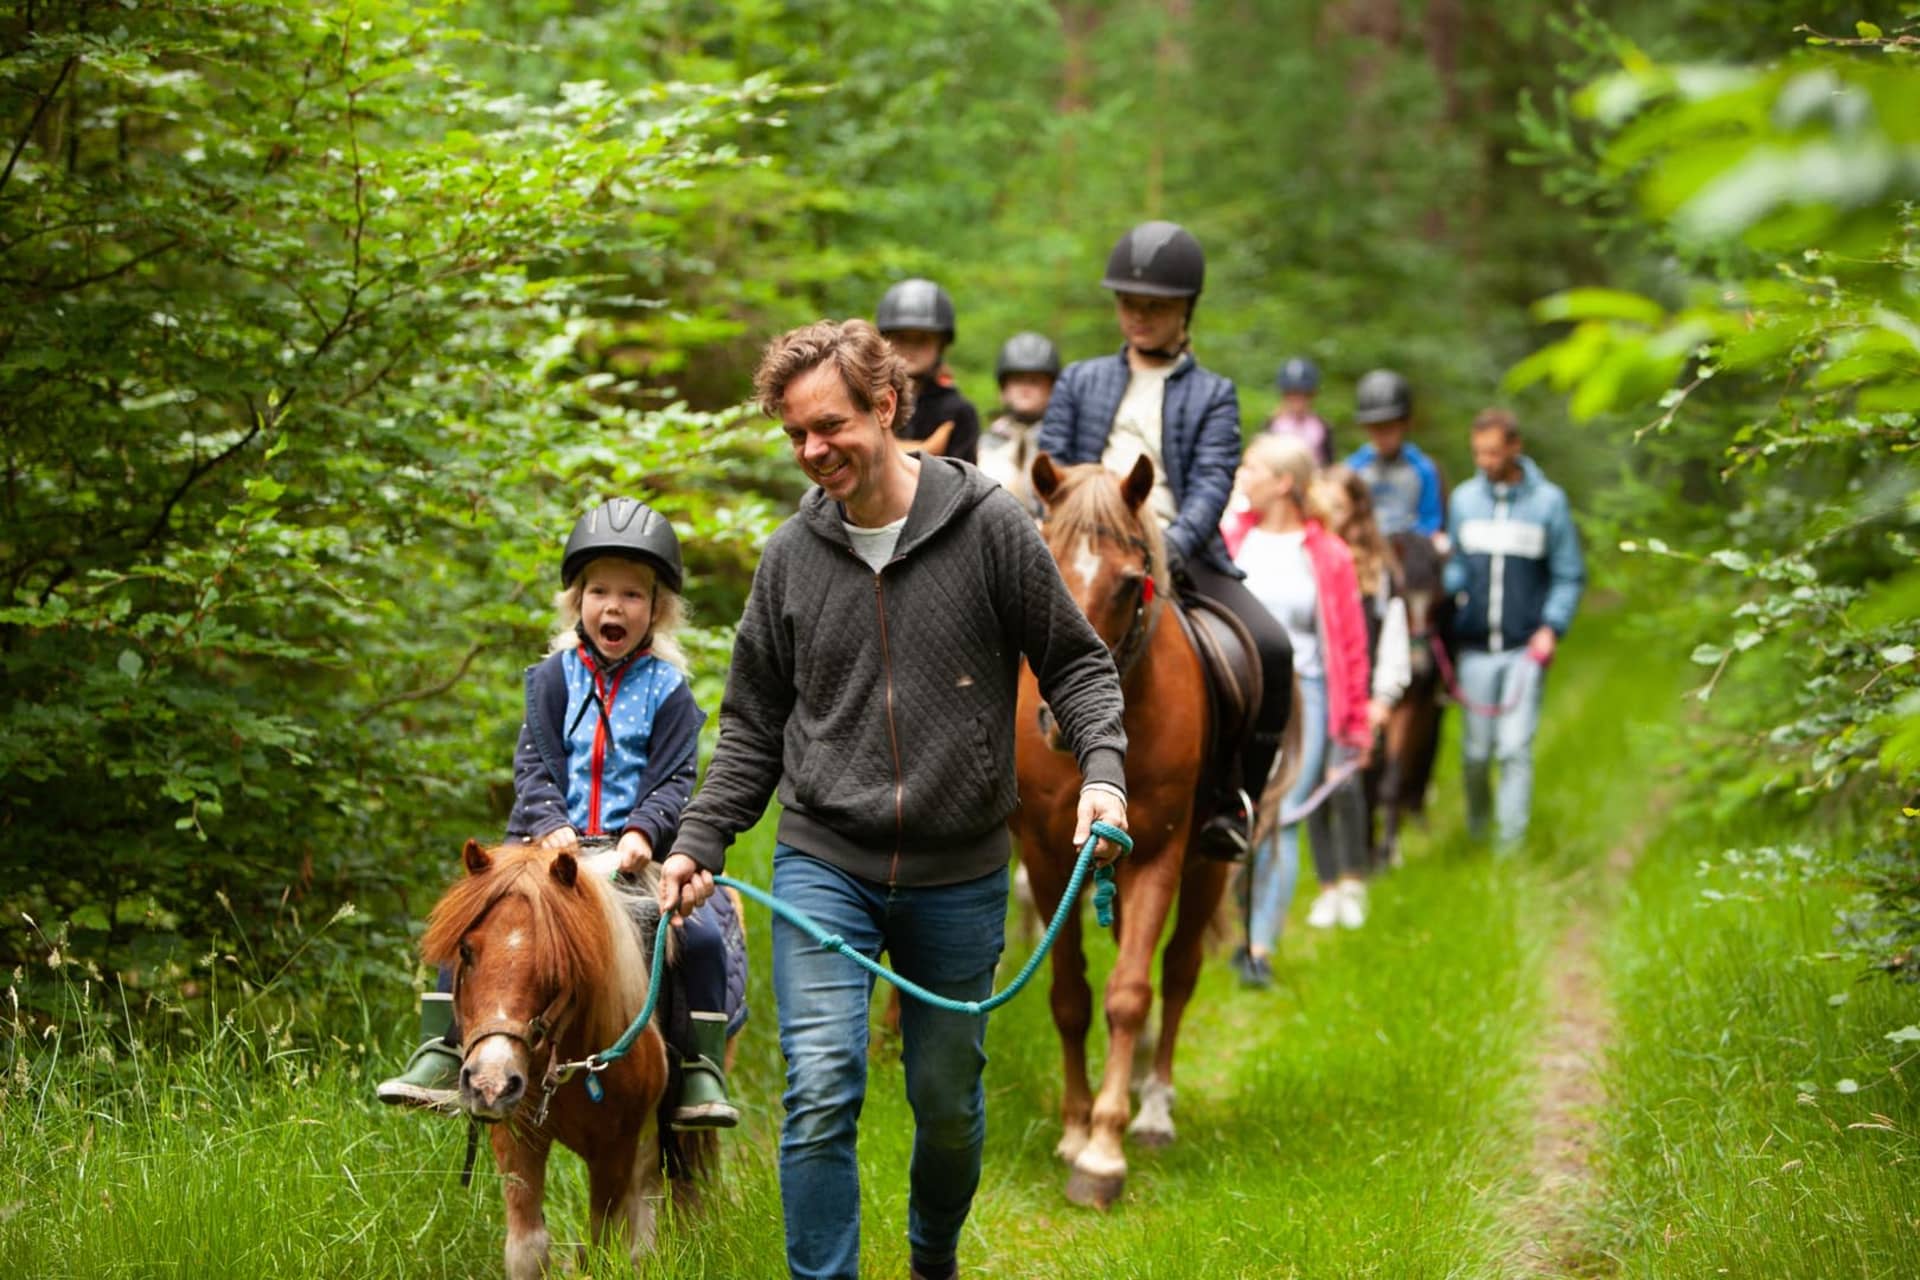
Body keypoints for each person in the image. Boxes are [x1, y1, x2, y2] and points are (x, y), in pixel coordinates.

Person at [658, 320, 1130, 1280]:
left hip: (959, 870)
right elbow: (752, 724)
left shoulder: (990, 525)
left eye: (828, 425)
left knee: (948, 1102)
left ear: (885, 407)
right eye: (794, 436)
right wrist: (698, 842)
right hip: (826, 860)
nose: (812, 450)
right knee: (823, 1086)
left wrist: (1106, 777)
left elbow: (1078, 666)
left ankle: (931, 1261)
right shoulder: (789, 557)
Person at [376, 499, 741, 1130]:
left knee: (703, 936)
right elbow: (533, 766)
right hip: (548, 848)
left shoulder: (670, 692)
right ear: (577, 602)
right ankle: (439, 1046)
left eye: (632, 594)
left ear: (658, 608)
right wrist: (550, 824)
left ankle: (695, 1069)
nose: (613, 607)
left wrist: (642, 833)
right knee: (468, 920)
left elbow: (676, 778)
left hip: (632, 856)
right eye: (599, 590)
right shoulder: (551, 680)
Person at [1036, 219, 1293, 860]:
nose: (1140, 315)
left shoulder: (1213, 395)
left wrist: (1168, 550)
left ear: (1185, 310)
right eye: (1129, 303)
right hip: (1085, 550)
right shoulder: (1080, 381)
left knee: (1272, 647)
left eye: (1156, 306)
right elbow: (1058, 465)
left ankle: (1232, 804)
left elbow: (1210, 483)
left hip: (1179, 550)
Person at [1222, 436, 1372, 983]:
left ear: (1283, 482)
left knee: (1282, 820)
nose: (1243, 475)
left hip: (1304, 698)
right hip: (1240, 694)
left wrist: (1352, 725)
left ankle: (1259, 947)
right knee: (1241, 815)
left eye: (1253, 467)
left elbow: (1352, 646)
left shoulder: (1328, 554)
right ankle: (1238, 924)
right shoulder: (1231, 540)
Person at [1443, 408, 1585, 850]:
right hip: (1474, 649)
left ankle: (1510, 849)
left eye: (1491, 452)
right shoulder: (1464, 500)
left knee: (1513, 750)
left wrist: (1551, 628)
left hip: (1525, 648)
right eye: (1477, 453)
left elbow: (1569, 574)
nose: (1483, 461)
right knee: (1475, 754)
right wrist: (1443, 591)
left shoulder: (1548, 503)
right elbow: (1456, 568)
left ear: (1514, 448)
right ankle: (1478, 831)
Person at [1315, 464, 1413, 866]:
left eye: (1338, 505)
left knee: (1363, 782)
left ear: (1356, 508)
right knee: (1327, 784)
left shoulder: (1378, 567)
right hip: (1321, 690)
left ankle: (1366, 861)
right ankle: (1334, 874)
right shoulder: (1312, 556)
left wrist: (1383, 696)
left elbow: (1393, 632)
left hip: (1364, 692)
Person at [876, 278, 981, 463]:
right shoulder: (868, 402)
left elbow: (965, 483)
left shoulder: (959, 412)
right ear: (885, 340)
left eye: (922, 339)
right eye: (902, 338)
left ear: (941, 345)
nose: (910, 348)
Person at [1346, 368, 1445, 546]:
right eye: (1376, 428)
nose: (1383, 436)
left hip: (1411, 554)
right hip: (1367, 552)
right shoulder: (1353, 469)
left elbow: (1431, 520)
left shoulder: (1423, 468)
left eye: (1389, 427)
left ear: (1404, 424)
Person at [977, 331, 1061, 511]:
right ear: (1003, 390)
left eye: (1034, 381)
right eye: (1017, 381)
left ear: (1052, 389)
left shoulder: (1062, 442)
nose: (1025, 389)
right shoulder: (984, 444)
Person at [1264, 356, 1333, 466]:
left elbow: (1329, 463)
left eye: (1302, 394)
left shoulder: (1322, 426)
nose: (1297, 400)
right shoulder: (1272, 425)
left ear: (1312, 394)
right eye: (1291, 393)